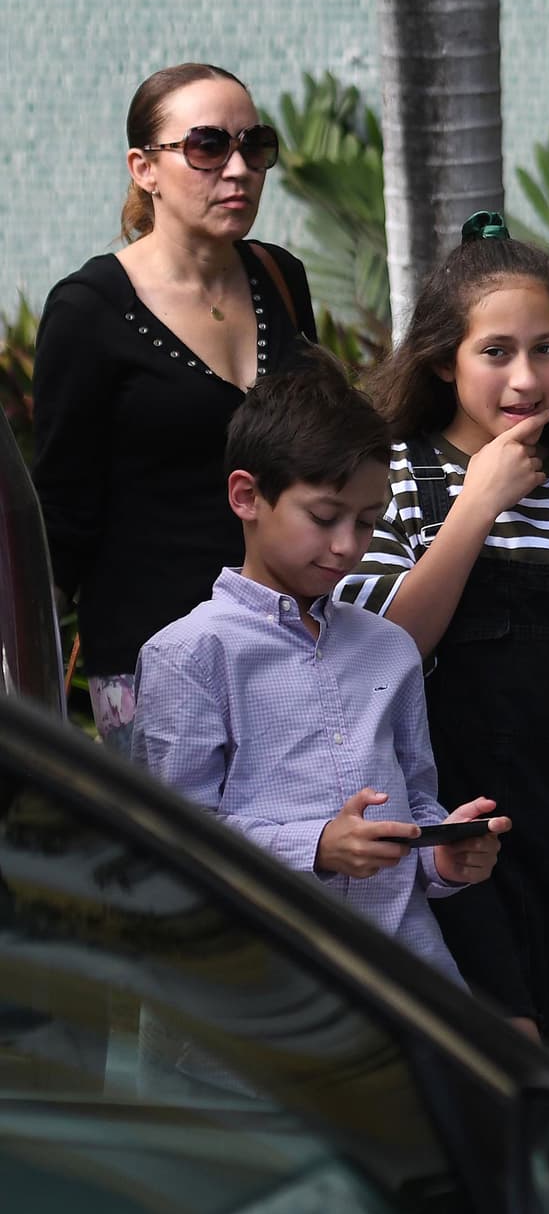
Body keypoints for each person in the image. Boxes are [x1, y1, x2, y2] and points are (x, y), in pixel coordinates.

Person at [335, 213, 549, 1048]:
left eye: (544, 349)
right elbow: (386, 649)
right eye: (496, 351)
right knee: (488, 1049)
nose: (525, 376)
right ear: (444, 360)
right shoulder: (395, 474)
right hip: (442, 820)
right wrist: (476, 504)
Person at [131, 358, 507, 980]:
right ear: (246, 496)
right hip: (264, 989)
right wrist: (315, 848)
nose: (347, 546)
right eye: (324, 516)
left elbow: (413, 801)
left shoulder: (388, 648)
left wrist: (442, 853)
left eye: (366, 522)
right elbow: (176, 842)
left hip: (403, 969)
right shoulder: (189, 654)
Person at [32, 62, 316, 754]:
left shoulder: (281, 277)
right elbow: (64, 511)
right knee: (180, 862)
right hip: (153, 662)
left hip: (290, 640)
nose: (240, 168)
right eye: (208, 146)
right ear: (144, 168)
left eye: (256, 146)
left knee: (299, 859)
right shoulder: (89, 310)